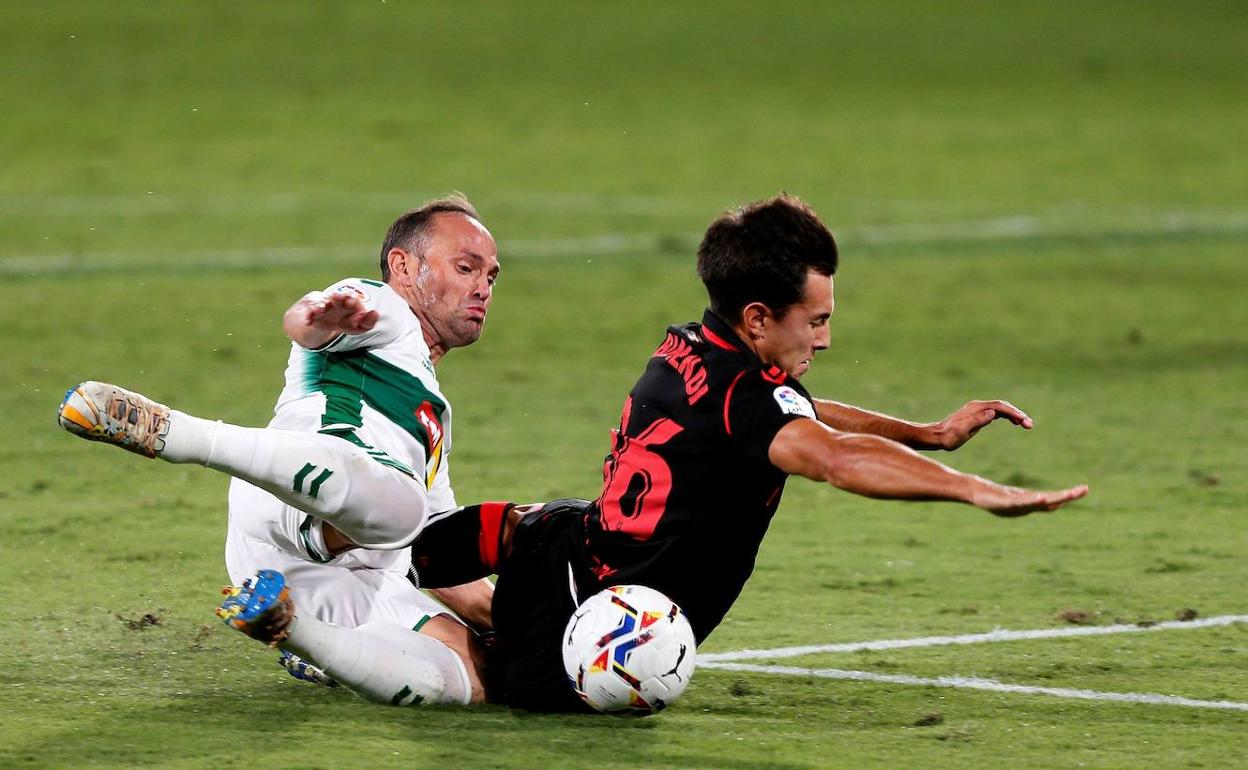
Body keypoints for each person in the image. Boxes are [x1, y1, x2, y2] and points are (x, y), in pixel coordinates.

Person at [210, 194, 1088, 712]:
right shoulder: (754, 401)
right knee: (468, 668)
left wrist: (924, 431)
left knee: (423, 546)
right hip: (593, 609)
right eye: (815, 319)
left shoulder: (689, 349)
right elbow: (827, 455)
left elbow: (804, 413)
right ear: (758, 319)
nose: (825, 335)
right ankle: (308, 634)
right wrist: (968, 487)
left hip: (549, 536)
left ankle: (342, 557)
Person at [58, 195, 501, 703]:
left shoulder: (432, 416)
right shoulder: (382, 308)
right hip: (284, 500)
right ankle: (177, 433)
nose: (482, 288)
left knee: (486, 674)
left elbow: (439, 555)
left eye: (491, 277)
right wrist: (322, 316)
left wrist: (530, 624)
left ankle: (298, 635)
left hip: (314, 578)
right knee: (402, 512)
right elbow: (306, 324)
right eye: (466, 268)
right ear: (403, 266)